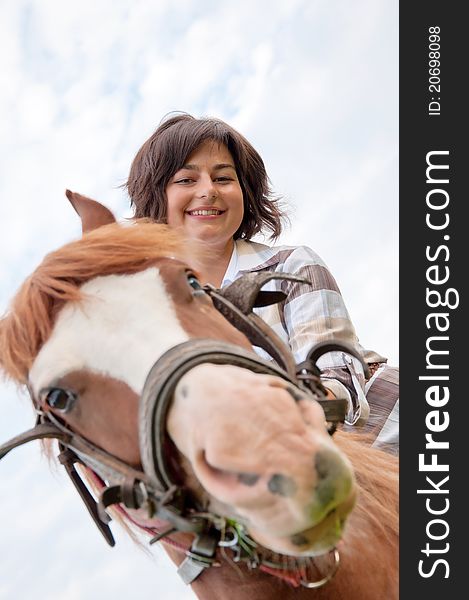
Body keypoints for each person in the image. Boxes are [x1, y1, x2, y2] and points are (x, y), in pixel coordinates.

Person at [125, 112, 399, 452]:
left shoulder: (292, 267)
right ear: (157, 197)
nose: (208, 191)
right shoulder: (156, 322)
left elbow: (336, 388)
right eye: (186, 180)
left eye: (223, 178)